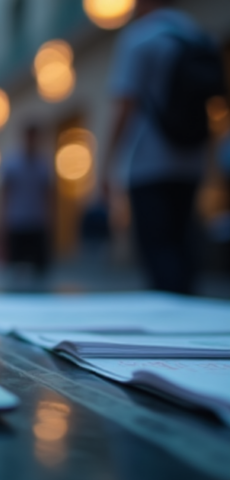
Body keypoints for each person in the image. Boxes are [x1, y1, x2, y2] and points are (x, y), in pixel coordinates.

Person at [104, 0, 226, 294]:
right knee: (184, 242)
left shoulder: (140, 38)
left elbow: (126, 104)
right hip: (191, 159)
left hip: (149, 160)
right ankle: (186, 308)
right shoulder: (198, 35)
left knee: (157, 247)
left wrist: (108, 162)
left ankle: (165, 312)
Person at [0, 125, 53, 278]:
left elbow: (48, 195)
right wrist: (2, 223)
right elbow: (5, 194)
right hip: (17, 221)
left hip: (37, 222)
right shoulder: (12, 164)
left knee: (40, 269)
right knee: (14, 268)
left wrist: (50, 220)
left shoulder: (44, 165)